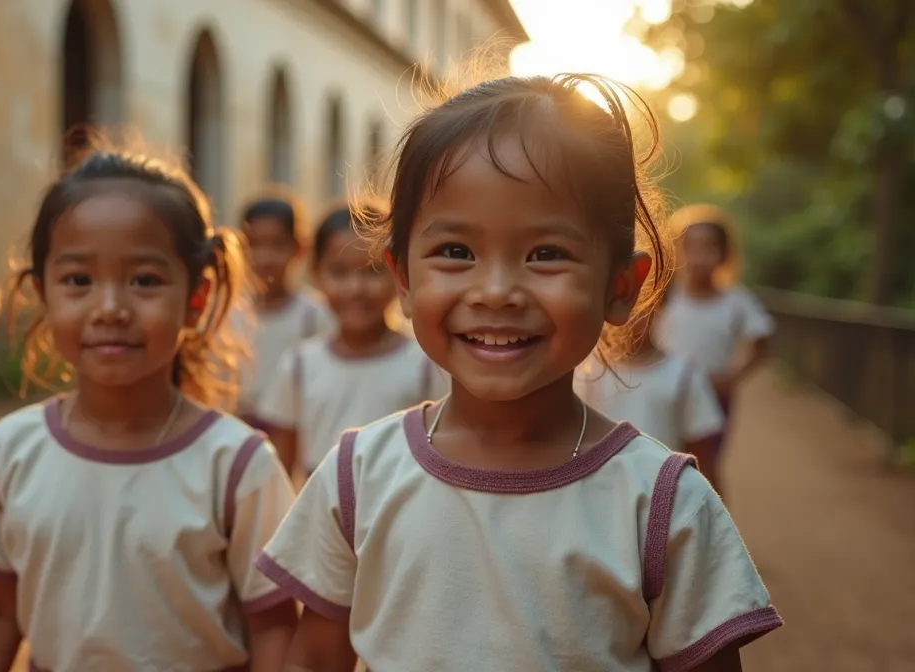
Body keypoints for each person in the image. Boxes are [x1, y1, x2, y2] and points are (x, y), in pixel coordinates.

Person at [257, 73, 781, 671]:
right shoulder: (356, 479)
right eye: (456, 251)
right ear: (402, 279)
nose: (497, 291)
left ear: (620, 288)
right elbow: (314, 659)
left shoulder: (663, 504)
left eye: (545, 254)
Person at [0, 141, 298, 672]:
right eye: (78, 281)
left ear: (196, 299)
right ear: (43, 293)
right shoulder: (9, 452)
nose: (110, 308)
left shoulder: (237, 466)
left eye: (144, 280)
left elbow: (273, 627)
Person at [252, 204, 449, 482]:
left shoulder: (426, 362)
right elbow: (281, 470)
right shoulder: (299, 365)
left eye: (371, 271)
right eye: (339, 273)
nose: (356, 288)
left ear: (399, 273)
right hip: (322, 518)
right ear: (316, 273)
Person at [653, 204, 774, 497]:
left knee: (705, 469)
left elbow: (762, 339)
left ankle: (717, 536)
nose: (698, 256)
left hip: (712, 397)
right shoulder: (665, 296)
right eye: (690, 247)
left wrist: (733, 376)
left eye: (708, 247)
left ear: (724, 253)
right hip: (667, 396)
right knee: (660, 465)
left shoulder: (735, 300)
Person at [575, 296, 725, 472]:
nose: (629, 317)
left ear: (656, 308)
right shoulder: (587, 371)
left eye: (639, 307)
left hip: (665, 491)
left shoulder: (685, 375)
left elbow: (703, 456)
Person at [234, 192, 335, 430]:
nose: (265, 257)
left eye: (277, 245)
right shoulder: (229, 314)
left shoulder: (316, 315)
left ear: (298, 249)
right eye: (254, 245)